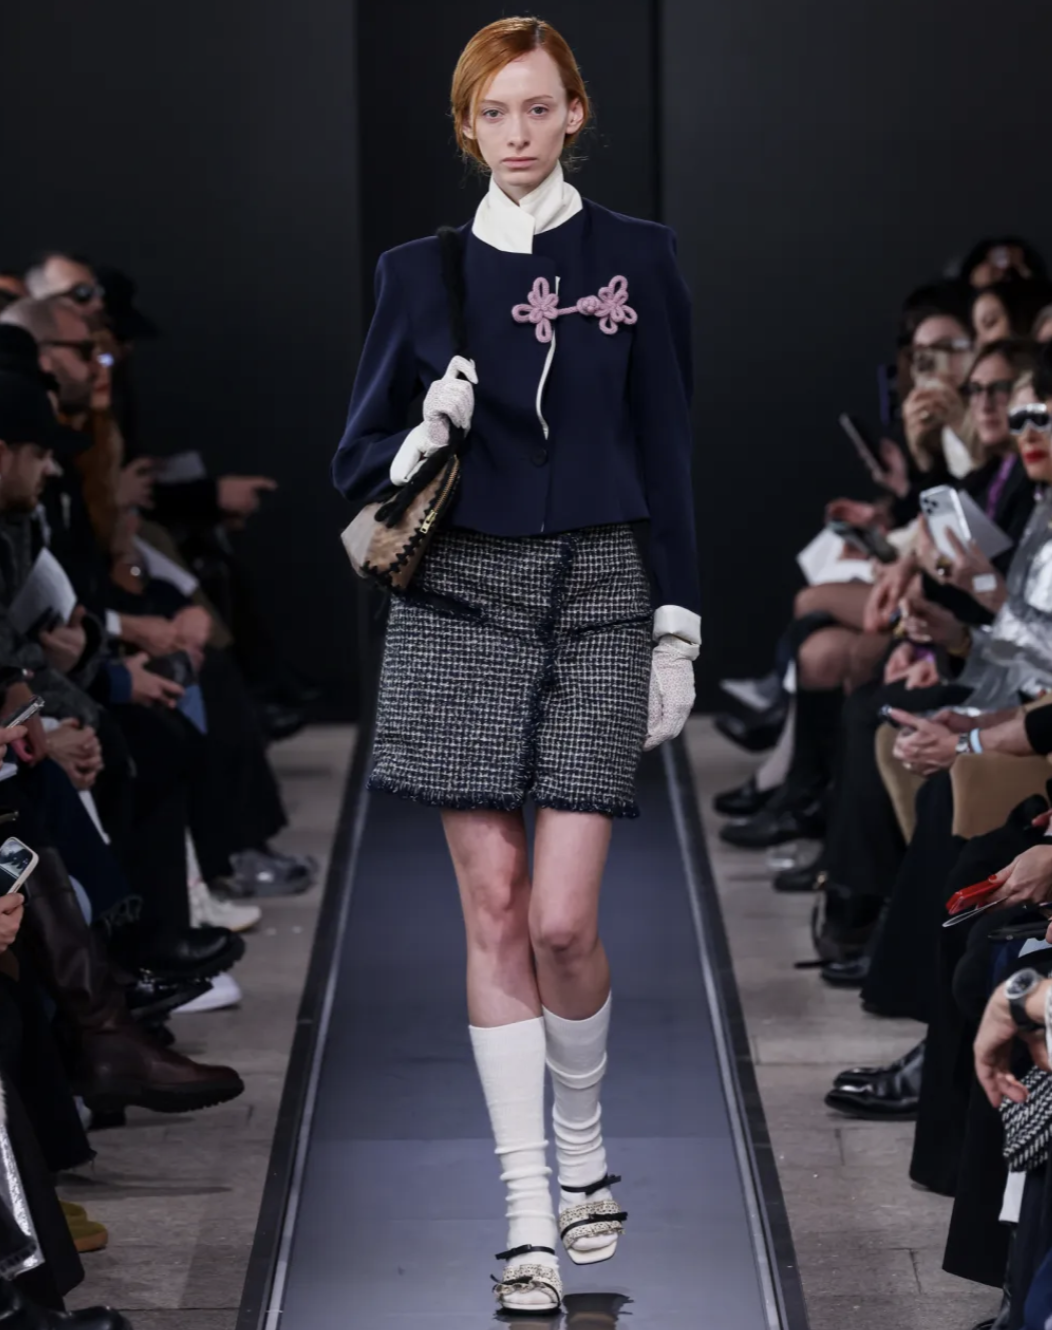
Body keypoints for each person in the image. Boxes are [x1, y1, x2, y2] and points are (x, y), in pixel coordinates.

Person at [332, 16, 700, 1314]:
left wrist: (677, 625)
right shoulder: (417, 274)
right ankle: (529, 1209)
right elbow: (352, 461)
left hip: (601, 590)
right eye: (495, 112)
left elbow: (671, 452)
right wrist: (419, 431)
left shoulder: (640, 258)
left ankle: (587, 1141)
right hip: (459, 596)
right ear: (468, 126)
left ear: (576, 112)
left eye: (540, 107)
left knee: (562, 921)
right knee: (492, 909)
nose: (519, 133)